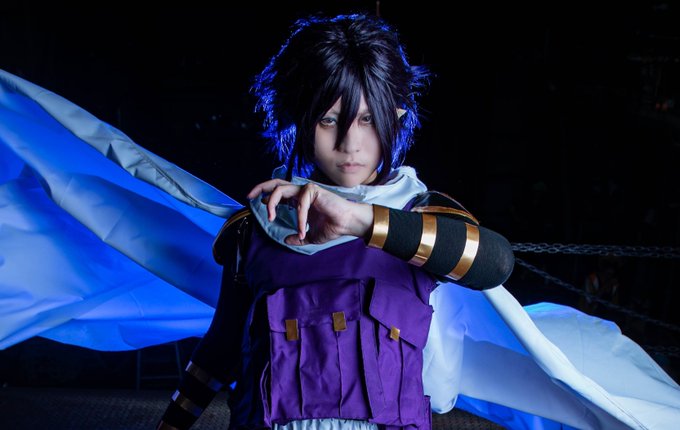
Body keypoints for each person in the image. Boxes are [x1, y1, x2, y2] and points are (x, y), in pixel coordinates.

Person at [156, 12, 515, 430]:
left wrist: (358, 219)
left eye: (367, 119)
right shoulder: (255, 228)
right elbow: (221, 347)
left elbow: (495, 263)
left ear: (396, 115)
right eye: (329, 120)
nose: (350, 144)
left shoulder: (418, 217)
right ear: (299, 119)